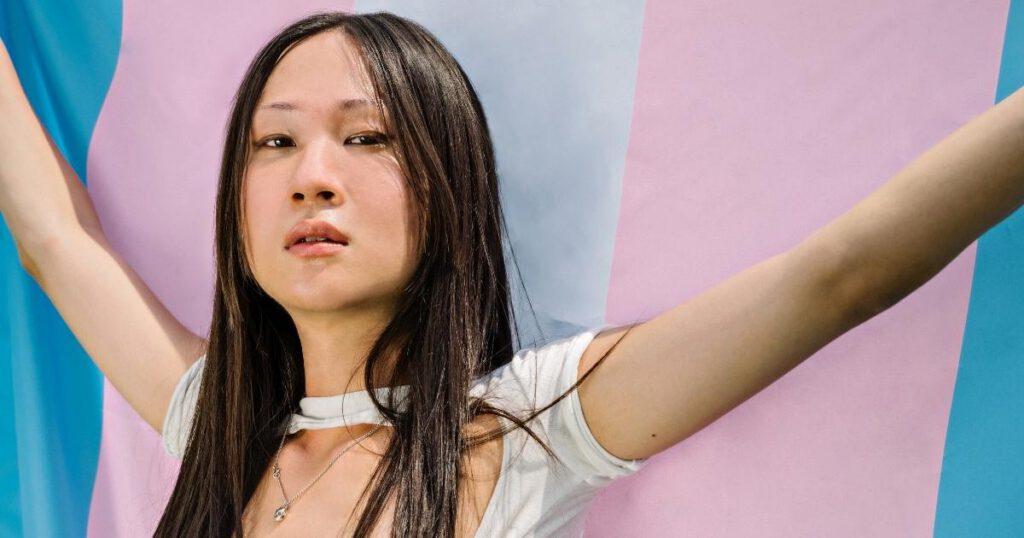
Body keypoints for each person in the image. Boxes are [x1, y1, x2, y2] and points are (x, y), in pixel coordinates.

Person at [1, 9, 1022, 538]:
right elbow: (53, 237)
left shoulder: (528, 427)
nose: (312, 178)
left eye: (367, 139)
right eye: (273, 145)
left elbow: (842, 273)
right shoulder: (214, 421)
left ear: (446, 193)